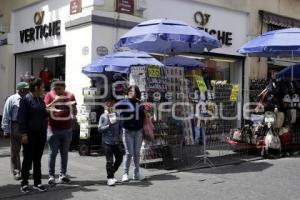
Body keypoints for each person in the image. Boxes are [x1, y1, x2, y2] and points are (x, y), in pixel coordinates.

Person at [44, 80, 77, 185]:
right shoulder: (49, 95)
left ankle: (62, 175)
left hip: (67, 129)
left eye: (59, 89)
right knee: (52, 153)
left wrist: (73, 106)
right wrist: (55, 100)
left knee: (64, 153)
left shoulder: (70, 96)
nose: (57, 91)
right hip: (53, 129)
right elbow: (44, 108)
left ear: (64, 88)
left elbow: (75, 112)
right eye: (55, 89)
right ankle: (51, 176)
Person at [18, 78, 48, 193]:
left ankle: (37, 183)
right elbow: (21, 119)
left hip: (40, 134)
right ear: (36, 88)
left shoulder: (40, 100)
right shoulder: (26, 100)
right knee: (27, 159)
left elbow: (44, 114)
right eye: (42, 87)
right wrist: (24, 134)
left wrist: (50, 111)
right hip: (29, 135)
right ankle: (24, 183)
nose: (43, 89)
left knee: (37, 159)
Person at [116, 85, 145, 182]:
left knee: (137, 154)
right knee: (129, 153)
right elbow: (115, 106)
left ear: (137, 93)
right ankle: (125, 173)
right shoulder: (124, 102)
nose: (132, 92)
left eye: (134, 91)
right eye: (130, 91)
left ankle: (136, 174)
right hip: (128, 131)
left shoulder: (140, 103)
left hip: (139, 131)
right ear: (127, 92)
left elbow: (144, 116)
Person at [1, 82, 29, 180]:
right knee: (15, 150)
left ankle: (26, 170)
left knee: (27, 150)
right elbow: (6, 114)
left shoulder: (28, 99)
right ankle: (16, 171)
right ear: (21, 90)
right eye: (26, 89)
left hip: (27, 126)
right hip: (16, 125)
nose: (28, 90)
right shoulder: (12, 99)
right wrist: (6, 129)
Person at [98, 99, 123, 186]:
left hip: (116, 141)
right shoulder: (103, 116)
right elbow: (99, 129)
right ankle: (110, 178)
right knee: (109, 161)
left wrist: (120, 136)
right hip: (107, 142)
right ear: (105, 106)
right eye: (108, 105)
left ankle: (111, 174)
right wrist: (109, 125)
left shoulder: (117, 115)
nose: (110, 106)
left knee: (119, 159)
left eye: (112, 105)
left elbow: (120, 127)